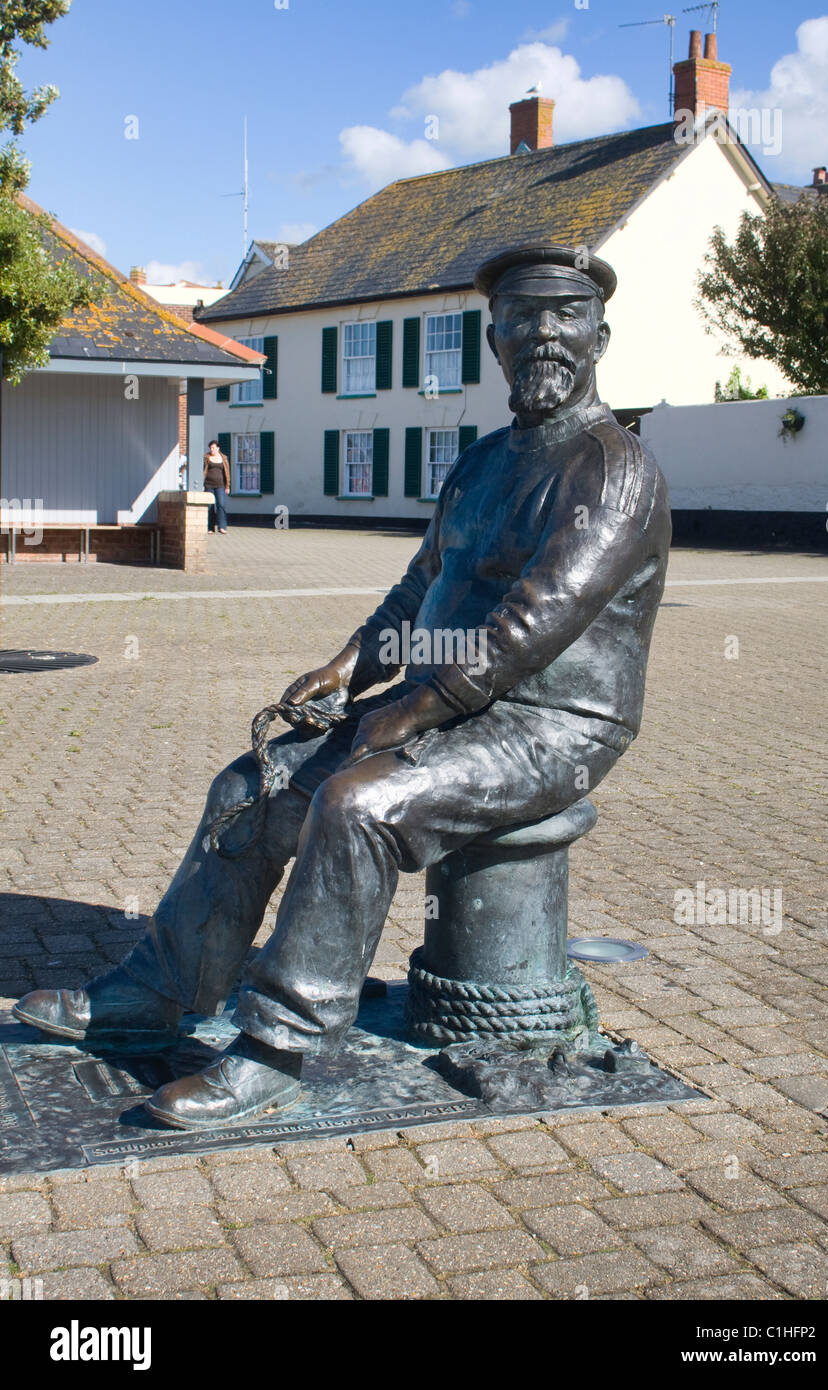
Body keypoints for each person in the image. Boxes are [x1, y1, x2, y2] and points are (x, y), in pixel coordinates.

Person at [15, 243, 671, 1129]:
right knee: (254, 784)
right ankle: (159, 989)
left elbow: (529, 627)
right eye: (521, 318)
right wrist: (350, 668)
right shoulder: (479, 464)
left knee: (358, 803)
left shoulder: (614, 470)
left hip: (553, 721)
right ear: (495, 337)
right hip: (452, 701)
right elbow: (418, 593)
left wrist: (403, 715)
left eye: (563, 316)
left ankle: (284, 1042)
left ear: (599, 334)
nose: (542, 335)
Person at [204, 440, 230, 533]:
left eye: (213, 448)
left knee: (221, 505)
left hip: (220, 485)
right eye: (210, 448)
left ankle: (222, 527)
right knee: (210, 506)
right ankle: (210, 528)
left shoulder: (224, 458)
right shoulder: (206, 457)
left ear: (218, 448)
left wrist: (227, 486)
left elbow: (227, 473)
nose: (211, 449)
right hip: (208, 485)